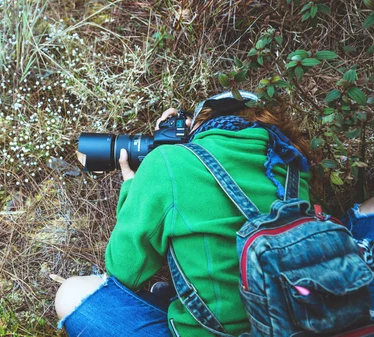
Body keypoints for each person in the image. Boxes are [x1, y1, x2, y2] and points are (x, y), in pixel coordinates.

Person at [54, 91, 374, 336]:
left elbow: (123, 269)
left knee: (71, 294)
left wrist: (137, 185)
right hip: (308, 316)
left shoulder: (168, 163)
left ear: (197, 124)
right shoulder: (290, 164)